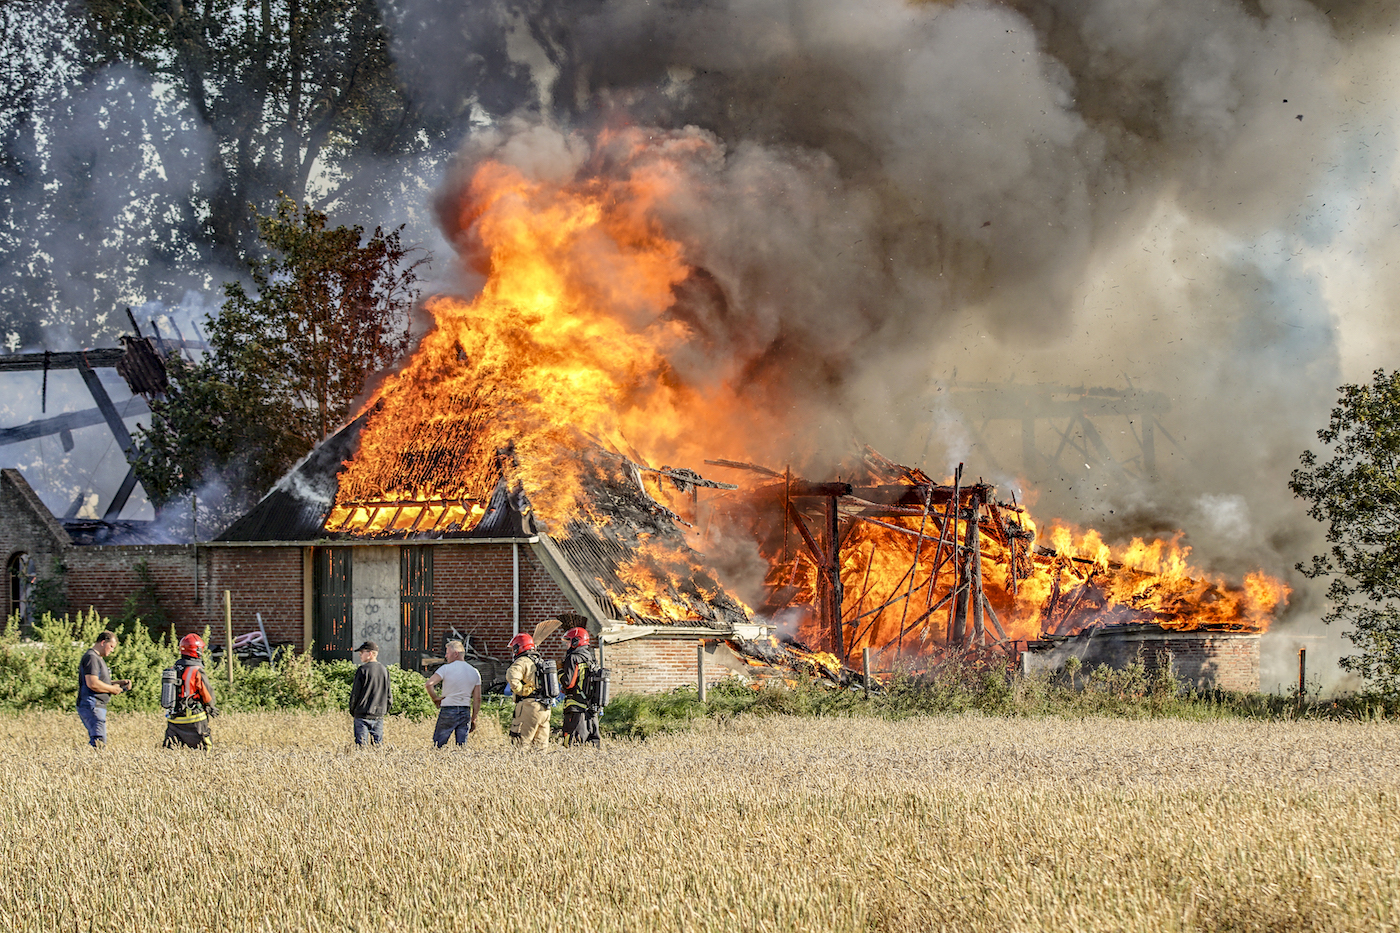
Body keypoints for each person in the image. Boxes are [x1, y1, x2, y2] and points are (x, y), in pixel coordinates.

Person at [77, 631, 131, 748]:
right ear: (103, 642)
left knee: (98, 740)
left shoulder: (96, 658)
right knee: (99, 741)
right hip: (92, 703)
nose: (112, 650)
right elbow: (93, 683)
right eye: (111, 646)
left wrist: (118, 683)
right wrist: (112, 689)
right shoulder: (92, 657)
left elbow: (99, 681)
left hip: (96, 704)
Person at [164, 633, 217, 750]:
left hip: (174, 719)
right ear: (197, 651)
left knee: (170, 752)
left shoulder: (173, 669)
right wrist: (212, 707)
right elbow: (207, 694)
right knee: (205, 749)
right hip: (194, 719)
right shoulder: (196, 671)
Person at [424, 640, 480, 747]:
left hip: (448, 709)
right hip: (465, 710)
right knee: (461, 746)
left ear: (456, 654)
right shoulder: (474, 672)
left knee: (438, 745)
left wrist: (435, 698)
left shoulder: (445, 669)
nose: (446, 656)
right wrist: (474, 718)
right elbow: (477, 699)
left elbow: (429, 684)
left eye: (447, 653)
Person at [506, 632, 550, 750]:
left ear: (517, 648)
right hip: (544, 708)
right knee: (540, 748)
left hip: (528, 707)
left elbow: (512, 676)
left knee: (520, 745)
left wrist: (521, 690)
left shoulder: (522, 661)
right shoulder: (539, 661)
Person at [559, 627, 601, 748]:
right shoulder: (591, 658)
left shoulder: (573, 658)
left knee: (573, 743)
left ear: (576, 642)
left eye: (568, 641)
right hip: (591, 709)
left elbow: (569, 683)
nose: (566, 644)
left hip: (576, 709)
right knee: (592, 745)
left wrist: (560, 673)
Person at [348, 640, 392, 747]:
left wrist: (353, 710)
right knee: (378, 747)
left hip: (362, 714)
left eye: (361, 653)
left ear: (370, 653)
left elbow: (355, 694)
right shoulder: (384, 670)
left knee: (361, 746)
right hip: (378, 714)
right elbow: (388, 695)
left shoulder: (362, 670)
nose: (360, 655)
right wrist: (384, 710)